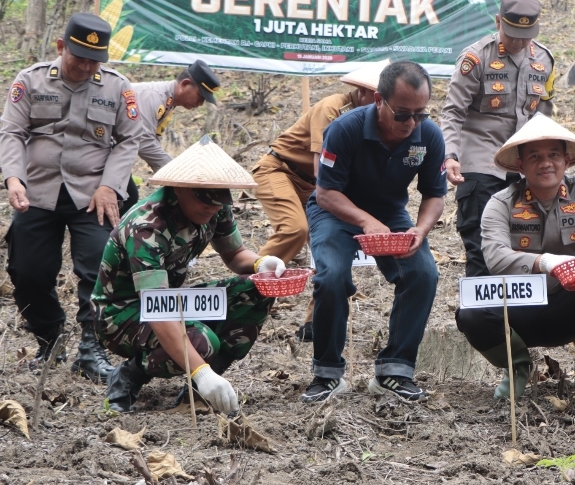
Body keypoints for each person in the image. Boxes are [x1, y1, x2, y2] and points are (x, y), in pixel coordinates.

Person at [1, 13, 144, 383]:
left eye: (94, 60)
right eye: (78, 57)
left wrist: (110, 186)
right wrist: (13, 179)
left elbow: (130, 139)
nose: (85, 66)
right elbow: (12, 132)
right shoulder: (30, 80)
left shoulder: (117, 87)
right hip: (37, 191)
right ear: (61, 46)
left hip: (92, 194)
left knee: (99, 269)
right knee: (27, 272)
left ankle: (91, 349)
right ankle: (50, 339)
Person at [95, 136, 283, 413]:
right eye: (204, 201)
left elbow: (234, 254)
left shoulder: (215, 206)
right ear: (179, 189)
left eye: (217, 203)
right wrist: (200, 371)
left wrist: (261, 264)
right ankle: (129, 375)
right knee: (202, 341)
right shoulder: (147, 227)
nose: (212, 208)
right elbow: (157, 307)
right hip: (122, 313)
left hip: (171, 300)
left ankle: (202, 389)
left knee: (257, 288)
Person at [456, 115, 575, 402]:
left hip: (571, 305)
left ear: (566, 160)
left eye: (553, 155)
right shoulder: (501, 203)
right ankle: (517, 368)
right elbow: (496, 257)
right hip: (519, 307)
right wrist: (545, 262)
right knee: (471, 312)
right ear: (520, 165)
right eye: (535, 156)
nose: (546, 163)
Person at [304, 61, 445, 402]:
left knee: (423, 273)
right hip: (335, 210)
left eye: (420, 113)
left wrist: (420, 229)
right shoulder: (344, 129)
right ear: (379, 100)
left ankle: (395, 371)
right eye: (402, 114)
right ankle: (327, 373)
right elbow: (325, 193)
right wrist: (365, 221)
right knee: (332, 276)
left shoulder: (429, 135)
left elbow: (435, 195)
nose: (411, 123)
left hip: (390, 212)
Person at [251, 59, 389, 343]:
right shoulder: (332, 109)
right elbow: (321, 171)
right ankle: (247, 294)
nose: (382, 106)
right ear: (363, 92)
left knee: (332, 242)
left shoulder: (375, 120)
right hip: (282, 171)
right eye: (379, 98)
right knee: (294, 229)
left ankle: (315, 321)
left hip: (319, 186)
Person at [441, 0, 555, 278]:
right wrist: (450, 155)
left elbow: (544, 114)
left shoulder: (544, 59)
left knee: (525, 249)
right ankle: (481, 307)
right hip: (482, 164)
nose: (518, 42)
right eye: (512, 34)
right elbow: (453, 111)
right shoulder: (476, 58)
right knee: (482, 251)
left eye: (525, 36)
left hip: (523, 166)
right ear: (497, 22)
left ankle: (518, 309)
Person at [121, 60, 221, 216]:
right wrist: (176, 172)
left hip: (111, 155)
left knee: (128, 196)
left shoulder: (167, 101)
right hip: (96, 151)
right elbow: (143, 141)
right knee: (125, 197)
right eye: (200, 96)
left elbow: (152, 139)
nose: (200, 104)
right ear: (185, 84)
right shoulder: (154, 97)